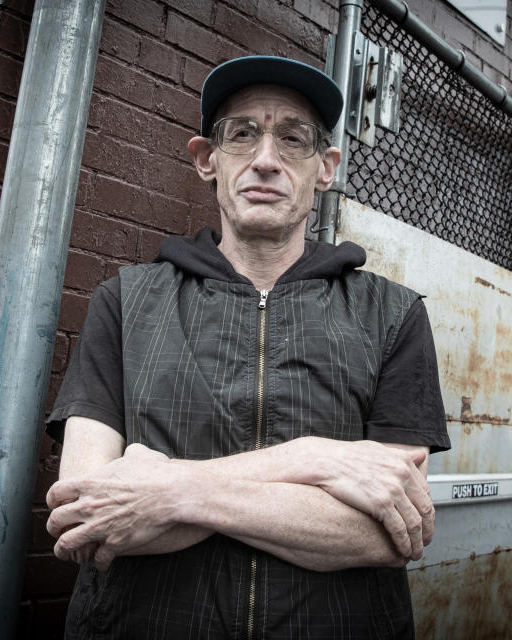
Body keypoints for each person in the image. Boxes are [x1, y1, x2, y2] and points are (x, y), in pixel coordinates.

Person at [44, 55, 451, 639]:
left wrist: (170, 491)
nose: (266, 160)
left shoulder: (393, 315)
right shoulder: (126, 302)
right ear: (207, 160)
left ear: (325, 167)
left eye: (293, 138)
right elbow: (89, 516)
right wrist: (308, 459)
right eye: (242, 134)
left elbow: (388, 532)